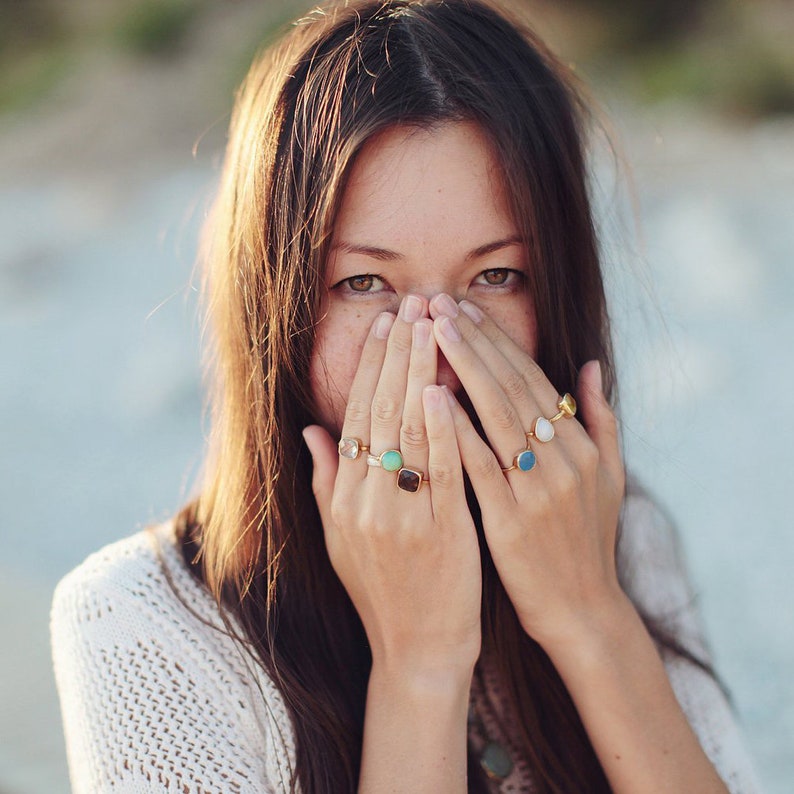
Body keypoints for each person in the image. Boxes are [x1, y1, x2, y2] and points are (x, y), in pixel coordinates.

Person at [50, 1, 761, 791]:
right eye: (364, 283)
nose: (434, 347)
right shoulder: (139, 623)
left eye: (496, 276)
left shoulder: (622, 534)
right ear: (276, 309)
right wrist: (418, 664)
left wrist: (590, 614)